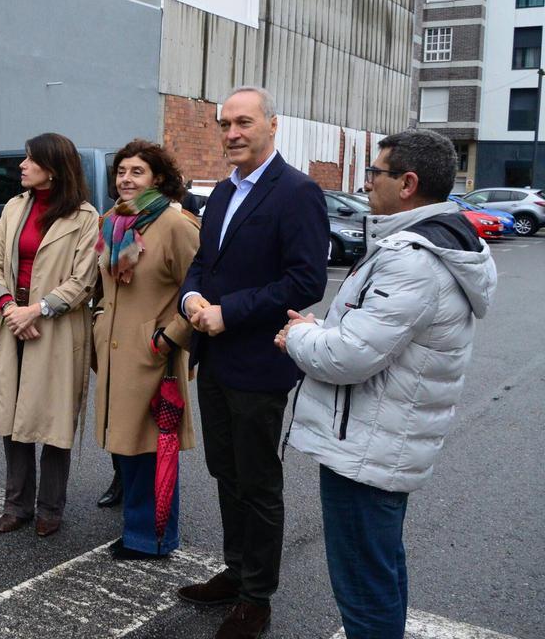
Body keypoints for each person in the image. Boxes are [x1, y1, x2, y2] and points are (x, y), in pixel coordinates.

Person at [276, 130, 496, 639]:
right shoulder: (434, 246)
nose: (367, 181)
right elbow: (370, 335)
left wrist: (299, 335)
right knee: (379, 571)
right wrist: (322, 331)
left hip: (369, 448)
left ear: (408, 184)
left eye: (376, 172)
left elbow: (351, 355)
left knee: (363, 585)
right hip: (383, 440)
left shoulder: (412, 259)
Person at [177, 86, 329, 639]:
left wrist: (228, 313)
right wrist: (191, 299)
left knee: (258, 482)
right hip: (214, 357)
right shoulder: (221, 192)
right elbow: (203, 264)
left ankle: (256, 598)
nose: (233, 133)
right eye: (225, 124)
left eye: (244, 122)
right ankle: (236, 571)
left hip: (259, 363)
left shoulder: (297, 192)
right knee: (225, 472)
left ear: (273, 124)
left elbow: (306, 280)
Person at [0, 133, 99, 537]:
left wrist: (39, 308)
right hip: (13, 320)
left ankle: (50, 508)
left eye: (30, 159)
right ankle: (16, 505)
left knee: (53, 419)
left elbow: (84, 280)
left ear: (53, 168)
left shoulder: (85, 217)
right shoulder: (15, 207)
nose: (22, 165)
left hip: (57, 328)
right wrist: (11, 307)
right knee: (13, 416)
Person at [93, 140, 200, 559]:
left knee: (154, 446)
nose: (126, 179)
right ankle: (138, 527)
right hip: (117, 349)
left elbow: (201, 287)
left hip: (154, 352)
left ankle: (152, 536)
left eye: (137, 171)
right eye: (121, 171)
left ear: (157, 178)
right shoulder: (112, 221)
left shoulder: (176, 225)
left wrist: (169, 337)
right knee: (127, 444)